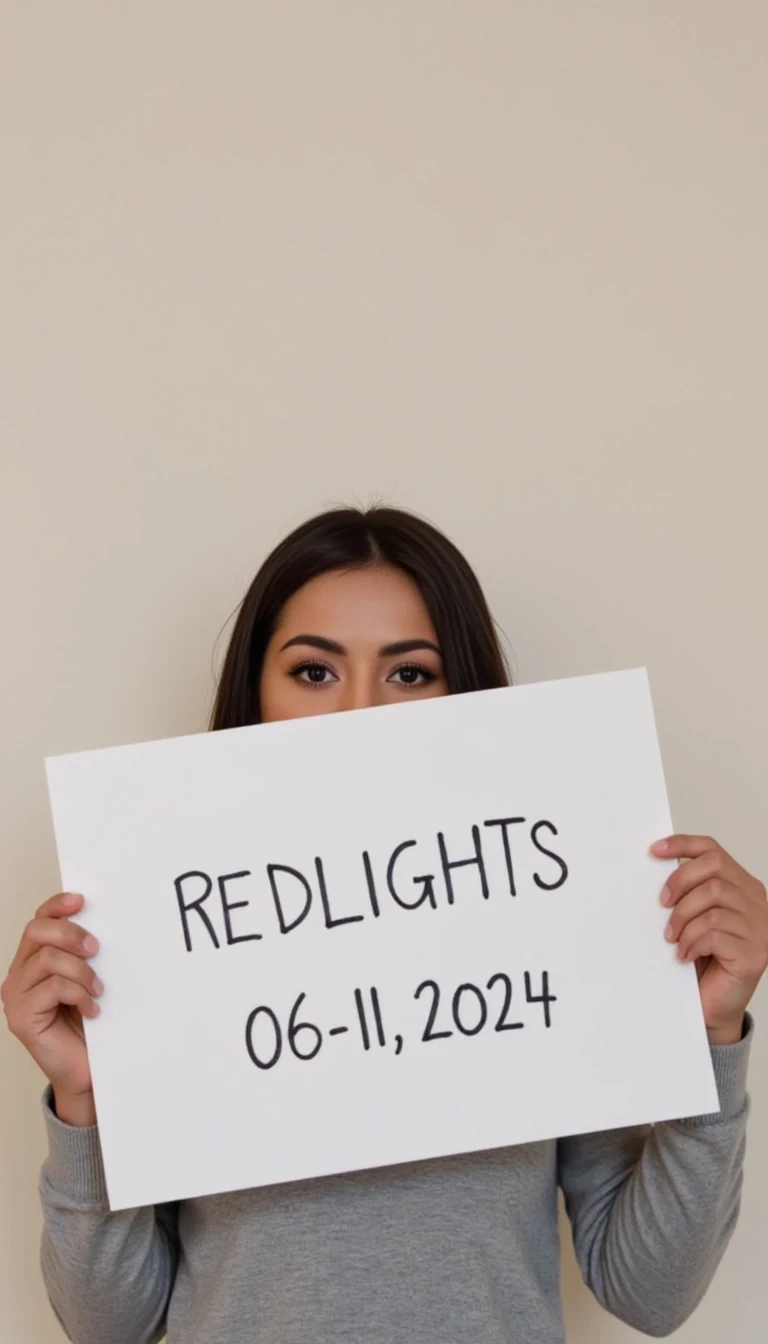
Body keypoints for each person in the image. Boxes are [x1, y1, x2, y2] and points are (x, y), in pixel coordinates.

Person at [3, 505, 767, 1344]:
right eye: (313, 672)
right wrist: (86, 1098)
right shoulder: (166, 939)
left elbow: (647, 1293)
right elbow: (108, 1326)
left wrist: (710, 1036)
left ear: (463, 695)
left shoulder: (543, 923)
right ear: (255, 692)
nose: (360, 712)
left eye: (410, 674)